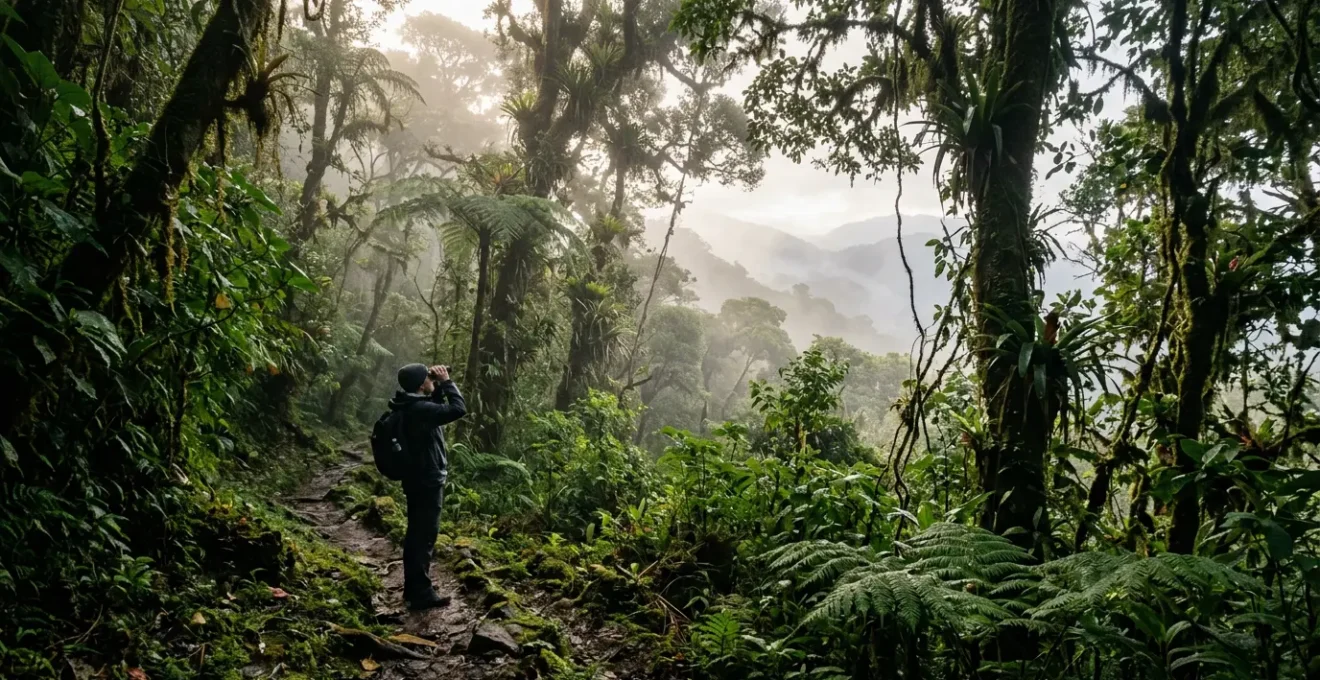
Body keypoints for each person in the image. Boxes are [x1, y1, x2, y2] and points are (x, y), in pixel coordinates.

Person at [389, 362, 466, 610]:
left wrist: (435, 386)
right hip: (427, 480)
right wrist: (446, 382)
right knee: (424, 536)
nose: (431, 379)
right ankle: (420, 592)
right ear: (422, 385)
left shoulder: (409, 404)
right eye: (427, 378)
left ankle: (415, 588)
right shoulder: (420, 409)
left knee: (416, 534)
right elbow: (458, 409)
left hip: (416, 478)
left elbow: (434, 407)